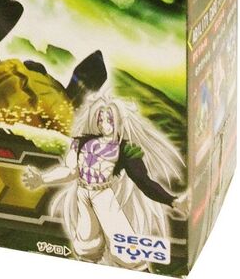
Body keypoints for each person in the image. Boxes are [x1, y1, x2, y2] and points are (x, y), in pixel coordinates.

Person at [23, 92, 188, 269]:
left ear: (119, 121)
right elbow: (70, 171)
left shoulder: (124, 149)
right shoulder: (81, 143)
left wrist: (172, 201)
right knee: (86, 244)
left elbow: (143, 181)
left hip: (103, 196)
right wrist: (42, 179)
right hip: (83, 194)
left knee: (125, 249)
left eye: (109, 120)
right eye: (100, 119)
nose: (103, 124)